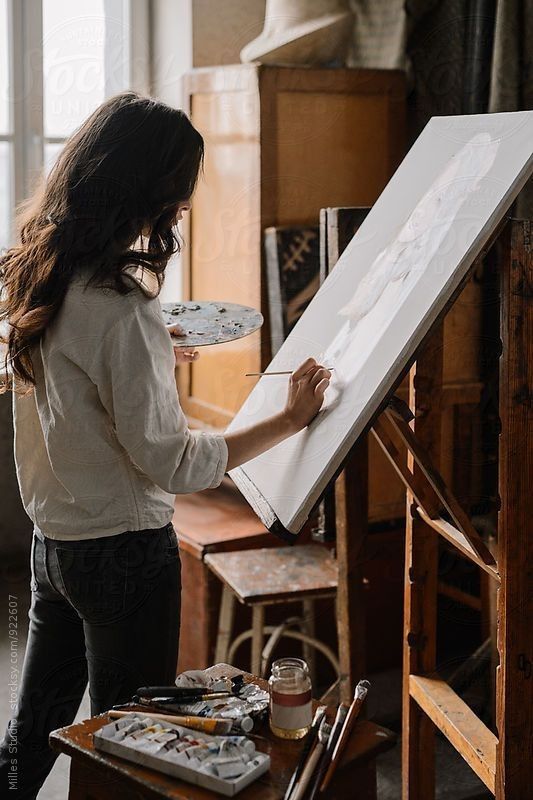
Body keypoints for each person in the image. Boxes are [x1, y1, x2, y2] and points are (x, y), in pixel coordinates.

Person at [0, 92, 330, 798]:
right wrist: (286, 419)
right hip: (122, 553)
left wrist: (149, 360)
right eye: (178, 192)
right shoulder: (122, 303)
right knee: (131, 744)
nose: (180, 208)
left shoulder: (43, 269)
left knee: (34, 727)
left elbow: (73, 382)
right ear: (149, 189)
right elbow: (171, 461)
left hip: (53, 544)